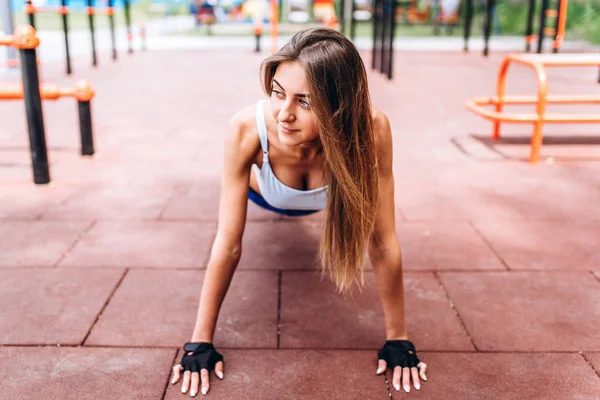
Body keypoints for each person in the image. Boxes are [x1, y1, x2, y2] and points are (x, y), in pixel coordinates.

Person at [170, 28, 428, 397]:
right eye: (277, 93)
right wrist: (200, 342)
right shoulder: (248, 127)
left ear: (340, 105)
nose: (284, 115)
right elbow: (228, 243)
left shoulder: (371, 129)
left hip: (332, 192)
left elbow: (384, 243)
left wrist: (398, 339)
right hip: (268, 195)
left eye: (305, 102)